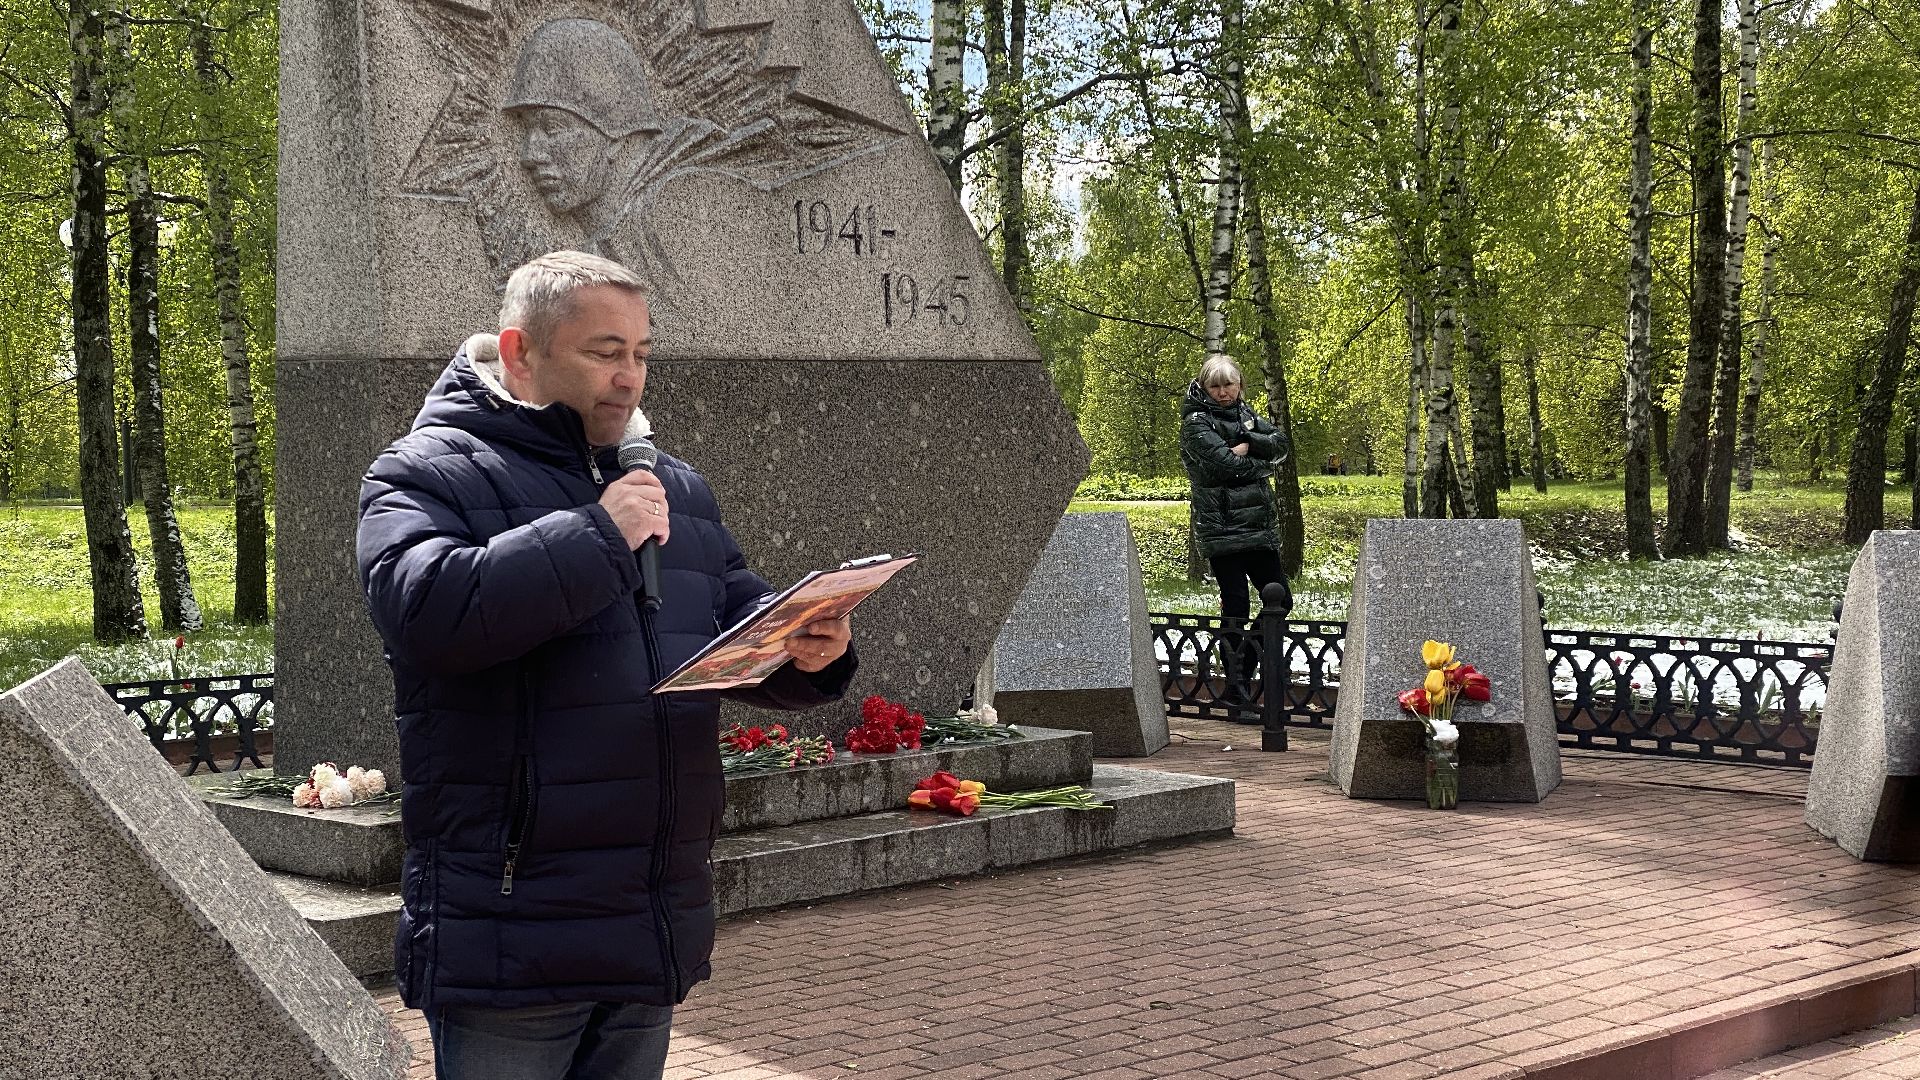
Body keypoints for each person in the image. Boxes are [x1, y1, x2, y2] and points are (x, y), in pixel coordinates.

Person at [355, 250, 856, 1079]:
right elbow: (427, 614)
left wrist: (810, 649)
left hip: (647, 917)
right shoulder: (421, 473)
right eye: (604, 352)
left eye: (642, 354)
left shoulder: (671, 487)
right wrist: (598, 533)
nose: (629, 378)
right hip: (512, 930)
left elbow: (735, 623)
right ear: (521, 352)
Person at [1179, 353, 1291, 705]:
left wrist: (1249, 446)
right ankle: (1235, 687)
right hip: (1223, 531)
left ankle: (1244, 668)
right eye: (1216, 385)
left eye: (1229, 384)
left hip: (1259, 528)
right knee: (1236, 607)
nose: (1223, 392)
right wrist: (1258, 459)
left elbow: (1281, 446)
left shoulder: (1246, 416)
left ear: (1240, 385)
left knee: (1280, 599)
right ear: (1204, 386)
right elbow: (1226, 467)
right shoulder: (1196, 423)